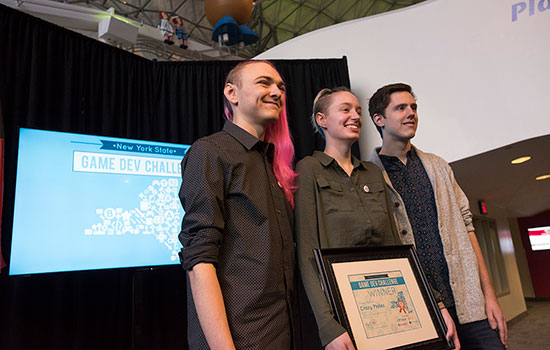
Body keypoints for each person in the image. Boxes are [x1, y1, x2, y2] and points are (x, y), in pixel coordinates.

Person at [295, 87, 459, 350]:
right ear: (322, 119)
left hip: (390, 303)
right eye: (345, 109)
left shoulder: (373, 172)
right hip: (344, 311)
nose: (356, 116)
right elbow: (306, 257)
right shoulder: (308, 169)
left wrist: (435, 303)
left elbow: (399, 247)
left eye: (359, 111)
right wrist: (328, 327)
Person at [368, 83, 507, 349]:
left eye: (413, 107)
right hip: (419, 310)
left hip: (469, 303)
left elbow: (468, 227)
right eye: (400, 108)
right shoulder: (369, 176)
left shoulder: (438, 166)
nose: (411, 113)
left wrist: (489, 295)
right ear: (379, 119)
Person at [178, 60, 297, 350]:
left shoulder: (269, 162)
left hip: (279, 333)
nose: (276, 92)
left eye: (280, 86)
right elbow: (200, 261)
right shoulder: (209, 152)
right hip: (241, 340)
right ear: (232, 93)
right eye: (264, 82)